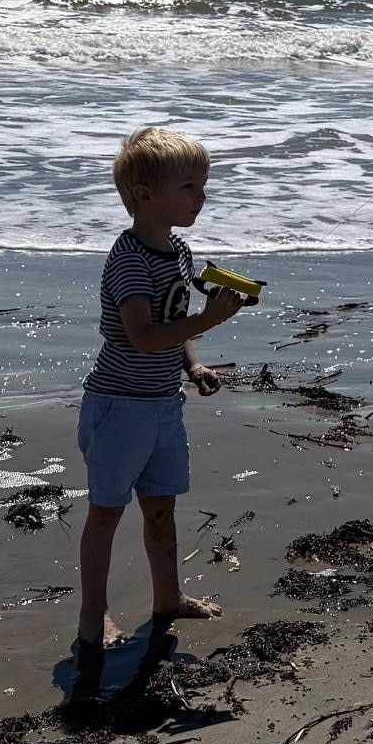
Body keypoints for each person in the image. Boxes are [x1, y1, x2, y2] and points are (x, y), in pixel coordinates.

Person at [70, 126, 244, 701]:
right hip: (119, 408)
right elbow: (143, 337)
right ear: (145, 195)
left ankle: (166, 597)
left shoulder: (179, 251)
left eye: (203, 185)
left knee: (162, 509)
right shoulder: (127, 261)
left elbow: (174, 327)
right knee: (106, 515)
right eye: (189, 187)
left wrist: (194, 363)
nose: (201, 197)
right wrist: (211, 323)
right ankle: (93, 619)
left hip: (162, 406)